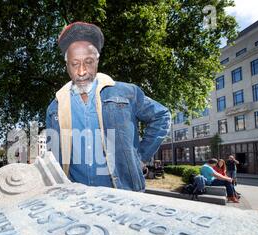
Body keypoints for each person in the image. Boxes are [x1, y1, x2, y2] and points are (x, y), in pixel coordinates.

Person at [45, 22, 171, 191]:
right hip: (76, 200)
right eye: (75, 64)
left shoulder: (126, 92)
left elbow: (161, 116)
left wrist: (139, 157)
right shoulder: (54, 108)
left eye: (88, 62)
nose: (82, 71)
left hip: (124, 195)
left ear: (97, 61)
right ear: (67, 65)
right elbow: (54, 156)